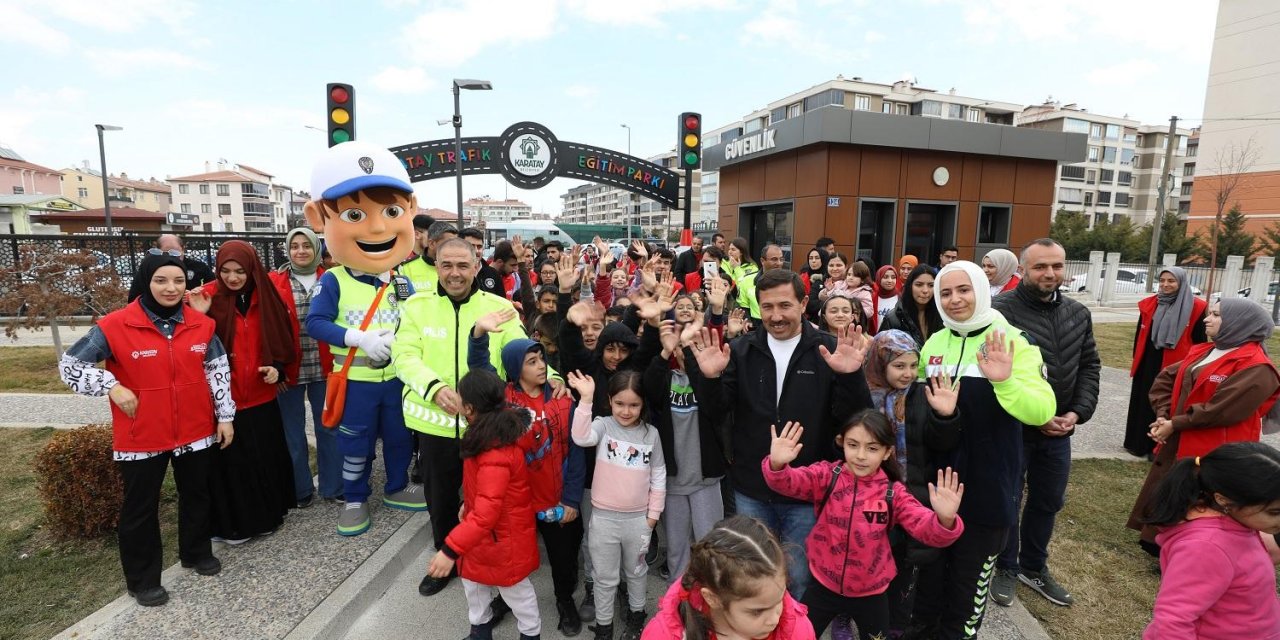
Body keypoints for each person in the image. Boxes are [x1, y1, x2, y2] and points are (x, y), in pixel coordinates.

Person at [59, 251, 236, 607]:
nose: (170, 288)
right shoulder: (114, 325)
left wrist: (225, 415)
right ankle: (143, 580)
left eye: (178, 281)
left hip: (195, 429)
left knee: (197, 494)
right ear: (145, 282)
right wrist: (111, 385)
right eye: (161, 280)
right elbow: (70, 365)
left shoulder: (203, 325)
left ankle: (196, 552)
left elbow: (217, 370)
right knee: (140, 508)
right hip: (141, 436)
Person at [690, 269, 874, 599]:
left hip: (807, 489)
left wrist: (850, 377)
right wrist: (709, 378)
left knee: (800, 577)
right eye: (767, 306)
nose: (776, 316)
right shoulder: (741, 350)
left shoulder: (828, 350)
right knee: (753, 575)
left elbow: (854, 421)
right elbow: (716, 411)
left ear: (804, 303)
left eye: (785, 305)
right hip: (751, 487)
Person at [906, 260, 1056, 640]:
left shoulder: (1013, 340)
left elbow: (1042, 411)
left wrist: (1004, 383)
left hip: (988, 492)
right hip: (935, 490)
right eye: (945, 293)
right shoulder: (936, 344)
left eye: (963, 290)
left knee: (964, 601)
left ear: (982, 289)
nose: (954, 300)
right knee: (926, 592)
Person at [394, 238, 546, 596]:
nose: (454, 273)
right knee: (441, 499)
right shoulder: (416, 306)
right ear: (436, 265)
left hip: (487, 427)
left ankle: (493, 563)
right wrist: (433, 388)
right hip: (435, 425)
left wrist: (551, 379)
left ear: (477, 267)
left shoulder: (497, 306)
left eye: (463, 265)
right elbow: (403, 356)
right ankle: (445, 561)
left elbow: (522, 355)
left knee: (492, 501)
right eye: (447, 265)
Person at [302, 141, 428, 538]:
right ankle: (355, 497)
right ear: (320, 218)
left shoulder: (401, 279)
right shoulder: (333, 280)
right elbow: (316, 324)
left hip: (396, 379)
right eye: (355, 215)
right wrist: (358, 337)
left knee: (398, 437)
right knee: (354, 443)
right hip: (355, 380)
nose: (377, 228)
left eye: (391, 212)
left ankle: (395, 486)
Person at [764, 412, 965, 638]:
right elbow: (787, 483)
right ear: (842, 443)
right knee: (797, 635)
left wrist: (945, 519)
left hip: (871, 593)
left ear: (887, 451)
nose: (860, 455)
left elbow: (924, 527)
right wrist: (777, 463)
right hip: (822, 585)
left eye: (872, 448)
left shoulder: (893, 493)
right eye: (853, 444)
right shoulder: (827, 475)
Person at [989, 239, 1101, 608]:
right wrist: (1034, 416)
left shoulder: (1077, 313)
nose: (1050, 274)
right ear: (1023, 269)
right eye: (1040, 267)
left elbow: (1089, 366)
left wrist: (1077, 413)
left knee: (1049, 500)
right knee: (1009, 498)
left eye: (1056, 266)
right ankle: (1005, 564)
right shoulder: (999, 312)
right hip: (1014, 427)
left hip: (1060, 429)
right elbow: (990, 373)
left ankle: (1033, 566)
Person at [1127, 298, 1280, 555]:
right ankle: (1159, 541)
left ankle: (1195, 552)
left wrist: (1174, 423)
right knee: (1175, 487)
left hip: (1217, 447)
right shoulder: (1206, 350)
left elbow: (1222, 410)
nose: (1207, 319)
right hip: (1183, 435)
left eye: (1216, 315)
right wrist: (1165, 415)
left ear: (1240, 323)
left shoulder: (1257, 367)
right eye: (1209, 313)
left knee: (1204, 497)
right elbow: (1166, 378)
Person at [469, 327, 586, 636]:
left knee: (563, 557)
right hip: (515, 502)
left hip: (555, 499)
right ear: (514, 369)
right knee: (510, 556)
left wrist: (572, 500)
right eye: (531, 361)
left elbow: (576, 453)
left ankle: (564, 601)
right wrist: (479, 334)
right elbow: (479, 368)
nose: (541, 366)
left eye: (541, 359)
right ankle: (507, 599)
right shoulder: (503, 402)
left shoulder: (563, 401)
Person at [187, 240, 297, 544]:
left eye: (239, 271)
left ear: (251, 269)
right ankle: (231, 527)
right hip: (223, 400)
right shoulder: (205, 297)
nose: (232, 278)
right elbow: (192, 347)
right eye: (225, 271)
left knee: (262, 461)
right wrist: (201, 315)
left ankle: (266, 518)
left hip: (261, 396)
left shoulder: (266, 295)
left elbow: (281, 340)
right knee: (230, 466)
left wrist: (277, 369)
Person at [425, 370, 542, 640]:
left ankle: (530, 634)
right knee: (473, 585)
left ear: (469, 407)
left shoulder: (494, 451)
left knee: (516, 592)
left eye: (458, 393)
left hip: (501, 539)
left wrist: (449, 550)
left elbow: (488, 512)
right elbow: (487, 493)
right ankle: (480, 631)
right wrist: (469, 502)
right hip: (483, 537)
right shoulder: (486, 434)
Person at [863, 329, 964, 635]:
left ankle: (898, 624)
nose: (908, 374)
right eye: (899, 366)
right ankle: (861, 617)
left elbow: (941, 443)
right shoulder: (865, 396)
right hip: (873, 497)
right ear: (880, 364)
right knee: (869, 562)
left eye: (912, 365)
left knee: (906, 568)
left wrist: (946, 416)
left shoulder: (921, 396)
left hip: (912, 496)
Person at [1139, 441, 1280, 639]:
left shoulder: (1242, 522)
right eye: (1274, 512)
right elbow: (1173, 621)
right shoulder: (1207, 547)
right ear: (1224, 499)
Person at [569, 370, 667, 640]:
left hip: (639, 521)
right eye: (620, 403)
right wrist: (585, 400)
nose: (626, 411)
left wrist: (652, 517)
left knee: (636, 572)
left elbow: (658, 476)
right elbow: (581, 437)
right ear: (610, 400)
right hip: (603, 519)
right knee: (604, 577)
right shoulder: (603, 425)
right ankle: (604, 627)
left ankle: (636, 618)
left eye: (634, 404)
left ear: (643, 404)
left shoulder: (651, 434)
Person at [642, 515, 816, 640]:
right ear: (712, 598)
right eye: (757, 612)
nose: (774, 619)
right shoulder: (664, 634)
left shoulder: (797, 628)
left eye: (779, 600)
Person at [644, 319, 726, 583]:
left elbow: (716, 406)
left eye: (690, 347)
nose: (684, 351)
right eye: (680, 347)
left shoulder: (711, 380)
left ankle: (709, 594)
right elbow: (650, 388)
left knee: (709, 544)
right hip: (674, 479)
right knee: (677, 547)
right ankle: (677, 599)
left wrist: (692, 358)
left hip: (705, 478)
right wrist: (665, 352)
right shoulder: (667, 378)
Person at [269, 228, 340, 508]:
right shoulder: (274, 281)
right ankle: (300, 490)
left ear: (315, 249)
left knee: (329, 429)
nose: (300, 251)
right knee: (293, 433)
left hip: (325, 366)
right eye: (295, 246)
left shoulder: (332, 277)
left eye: (306, 246)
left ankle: (333, 486)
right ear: (288, 250)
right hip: (290, 370)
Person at [1123, 266, 1208, 459]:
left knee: (1167, 403)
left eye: (1171, 281)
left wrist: (1195, 368)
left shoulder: (1197, 307)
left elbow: (1201, 342)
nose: (1165, 285)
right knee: (1144, 400)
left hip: (1175, 364)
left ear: (1181, 282)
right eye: (1162, 281)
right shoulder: (1149, 304)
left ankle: (1159, 449)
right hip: (1148, 361)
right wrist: (1137, 360)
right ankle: (1137, 444)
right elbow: (1140, 335)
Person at [126, 234, 215, 299]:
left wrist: (198, 293)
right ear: (158, 251)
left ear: (183, 249)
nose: (172, 255)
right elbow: (135, 297)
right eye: (167, 251)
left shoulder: (199, 267)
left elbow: (214, 287)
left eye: (175, 251)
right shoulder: (149, 270)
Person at [879, 265, 942, 346]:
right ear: (910, 286)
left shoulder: (943, 317)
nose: (925, 290)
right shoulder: (893, 318)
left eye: (931, 285)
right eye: (919, 285)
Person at [400, 220, 458, 293]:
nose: (453, 249)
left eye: (456, 244)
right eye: (449, 244)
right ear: (432, 244)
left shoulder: (458, 270)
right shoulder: (406, 268)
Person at [459, 227, 505, 298]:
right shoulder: (454, 274)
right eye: (471, 246)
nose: (476, 251)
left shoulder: (493, 274)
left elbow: (502, 303)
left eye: (479, 246)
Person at [725, 238, 762, 322]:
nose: (730, 252)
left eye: (733, 249)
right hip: (727, 302)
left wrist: (737, 269)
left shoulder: (752, 267)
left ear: (741, 252)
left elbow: (745, 286)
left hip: (743, 306)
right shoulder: (725, 265)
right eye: (729, 249)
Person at [800, 247, 830, 321]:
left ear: (823, 259)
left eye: (817, 258)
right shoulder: (803, 277)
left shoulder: (829, 278)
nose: (813, 261)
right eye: (810, 258)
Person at [871, 266, 899, 333]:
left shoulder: (901, 298)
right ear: (879, 278)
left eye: (893, 277)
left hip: (895, 340)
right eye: (885, 277)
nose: (890, 281)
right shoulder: (872, 298)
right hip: (876, 339)